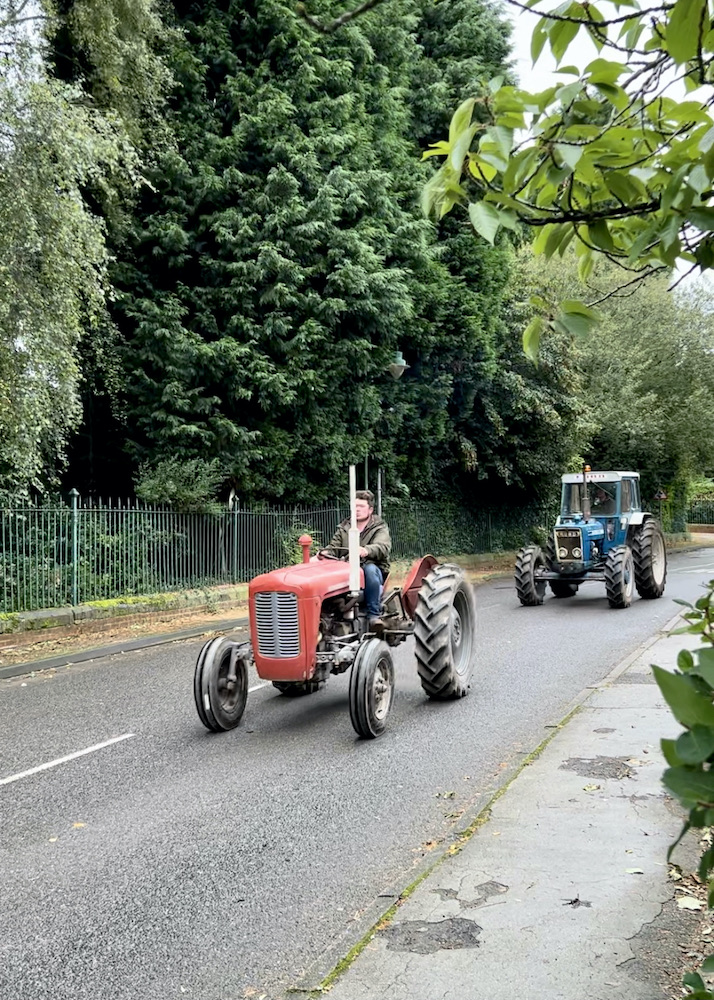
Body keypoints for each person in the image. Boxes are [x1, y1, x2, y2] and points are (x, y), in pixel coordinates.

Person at [319, 490, 391, 628]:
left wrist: (366, 550)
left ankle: (373, 615)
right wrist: (324, 554)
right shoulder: (344, 528)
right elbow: (334, 547)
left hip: (372, 568)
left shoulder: (379, 527)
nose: (357, 510)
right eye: (355, 506)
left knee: (369, 570)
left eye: (361, 507)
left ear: (370, 510)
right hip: (347, 568)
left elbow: (382, 547)